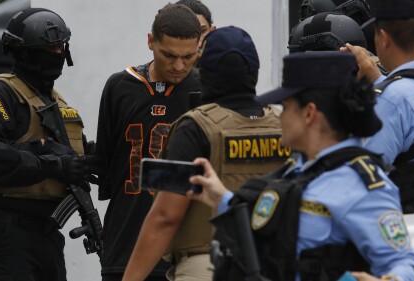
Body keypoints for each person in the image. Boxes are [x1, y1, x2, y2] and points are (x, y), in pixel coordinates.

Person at [187, 51, 414, 281]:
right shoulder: (297, 169)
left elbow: (406, 264)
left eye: (287, 107)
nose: (280, 117)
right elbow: (274, 228)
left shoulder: (363, 187)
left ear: (309, 113)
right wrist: (221, 198)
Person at [122, 26, 290, 281]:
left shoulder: (196, 127)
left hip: (209, 265)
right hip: (276, 264)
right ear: (254, 70)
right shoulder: (284, 122)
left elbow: (166, 216)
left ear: (206, 73)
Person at [0, 8, 88, 281]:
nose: (57, 54)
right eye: (48, 48)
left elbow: (73, 154)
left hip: (46, 236)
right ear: (23, 52)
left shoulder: (53, 100)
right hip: (5, 236)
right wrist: (51, 164)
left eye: (60, 46)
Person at [95, 4, 201, 281]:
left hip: (186, 251)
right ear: (150, 41)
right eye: (169, 55)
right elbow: (104, 166)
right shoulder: (119, 87)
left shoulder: (206, 90)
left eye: (188, 56)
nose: (179, 66)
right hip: (125, 244)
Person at [342, 0, 414, 213]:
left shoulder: (393, 100)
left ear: (384, 39)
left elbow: (357, 187)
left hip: (407, 236)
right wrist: (377, 79)